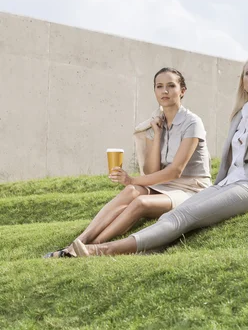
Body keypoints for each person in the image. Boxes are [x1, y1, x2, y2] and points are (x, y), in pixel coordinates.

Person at [71, 54, 248, 257]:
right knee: (172, 216)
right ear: (243, 82)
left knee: (184, 215)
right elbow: (229, 163)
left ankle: (102, 250)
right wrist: (216, 187)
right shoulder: (239, 115)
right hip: (230, 183)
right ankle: (150, 248)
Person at [44, 67, 211, 258]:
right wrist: (157, 135)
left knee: (140, 201)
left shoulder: (193, 122)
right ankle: (78, 242)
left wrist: (132, 179)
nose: (164, 91)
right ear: (155, 91)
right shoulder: (155, 123)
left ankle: (89, 248)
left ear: (182, 91)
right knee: (130, 192)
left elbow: (175, 171)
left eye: (171, 86)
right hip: (165, 186)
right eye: (159, 86)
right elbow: (151, 171)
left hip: (192, 190)